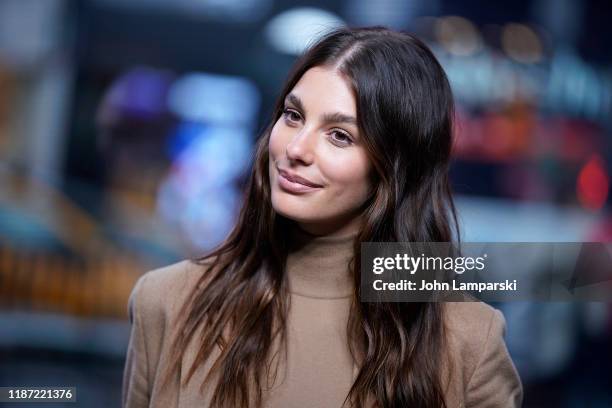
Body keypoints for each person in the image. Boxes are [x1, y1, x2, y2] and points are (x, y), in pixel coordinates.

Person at [122, 26, 523, 408]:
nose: (296, 148)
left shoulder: (466, 342)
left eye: (339, 135)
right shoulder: (167, 303)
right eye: (293, 115)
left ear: (396, 169)